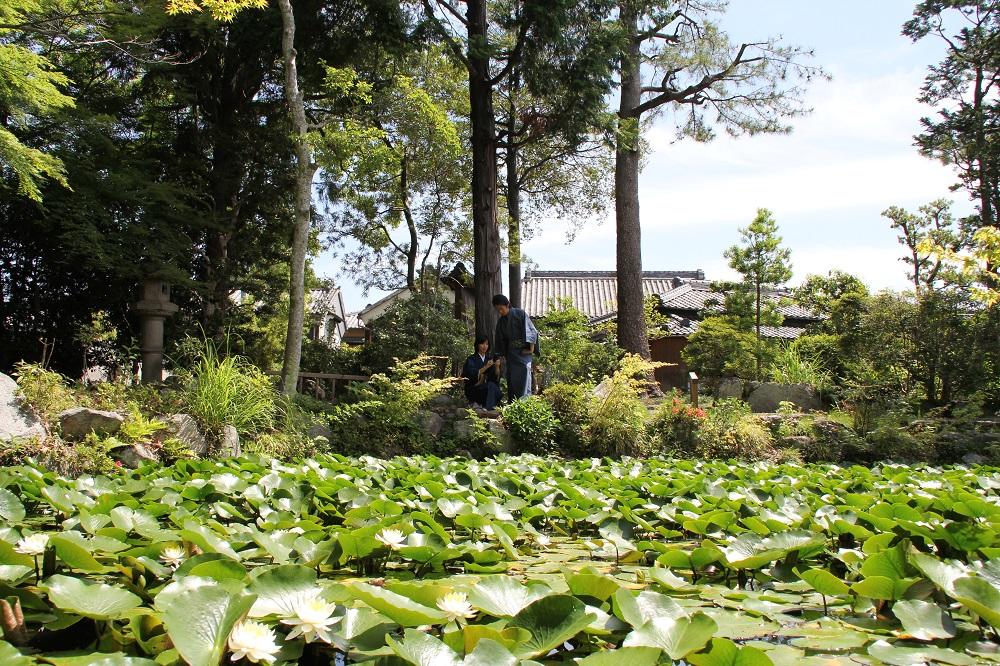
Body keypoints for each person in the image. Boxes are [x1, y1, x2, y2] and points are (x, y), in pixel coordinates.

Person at [492, 294, 539, 400]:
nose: (500, 312)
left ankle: (524, 406)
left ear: (507, 304)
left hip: (523, 353)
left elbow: (532, 331)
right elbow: (500, 340)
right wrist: (500, 355)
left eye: (501, 309)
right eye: (497, 310)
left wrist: (531, 349)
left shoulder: (520, 314)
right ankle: (513, 407)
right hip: (511, 354)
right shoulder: (501, 322)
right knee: (512, 380)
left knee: (524, 378)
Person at [461, 335, 502, 410]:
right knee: (491, 386)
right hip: (475, 389)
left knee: (494, 387)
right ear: (477, 345)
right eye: (482, 343)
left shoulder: (489, 359)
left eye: (486, 344)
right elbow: (470, 375)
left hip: (489, 389)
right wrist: (486, 367)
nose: (484, 346)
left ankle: (487, 406)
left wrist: (497, 367)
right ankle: (490, 408)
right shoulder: (471, 359)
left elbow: (496, 378)